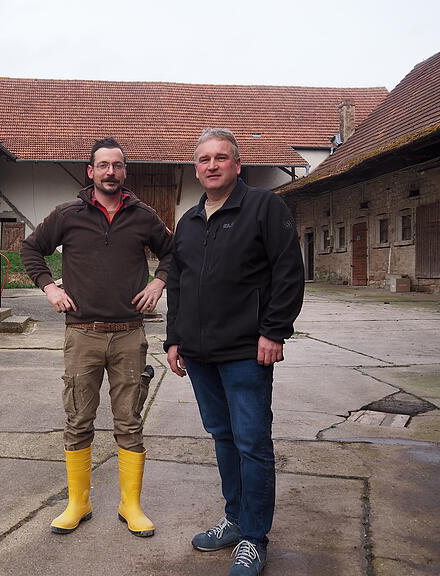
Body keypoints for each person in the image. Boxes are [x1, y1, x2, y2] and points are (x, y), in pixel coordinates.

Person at [165, 128, 304, 575]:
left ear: (237, 165)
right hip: (200, 354)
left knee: (252, 443)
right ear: (196, 168)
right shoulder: (187, 222)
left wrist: (274, 330)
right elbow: (179, 287)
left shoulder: (264, 207)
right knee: (223, 438)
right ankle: (235, 518)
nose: (211, 165)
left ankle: (253, 538)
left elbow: (288, 272)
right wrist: (173, 338)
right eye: (203, 159)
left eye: (220, 158)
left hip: (248, 351)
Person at [21, 137, 173, 538]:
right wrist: (50, 288)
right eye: (102, 165)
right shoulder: (67, 214)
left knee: (129, 422)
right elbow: (31, 250)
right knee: (78, 420)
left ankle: (131, 504)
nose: (110, 172)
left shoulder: (143, 216)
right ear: (91, 172)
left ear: (125, 171)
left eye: (117, 165)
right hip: (81, 335)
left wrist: (159, 282)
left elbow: (173, 253)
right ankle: (79, 502)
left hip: (129, 335)